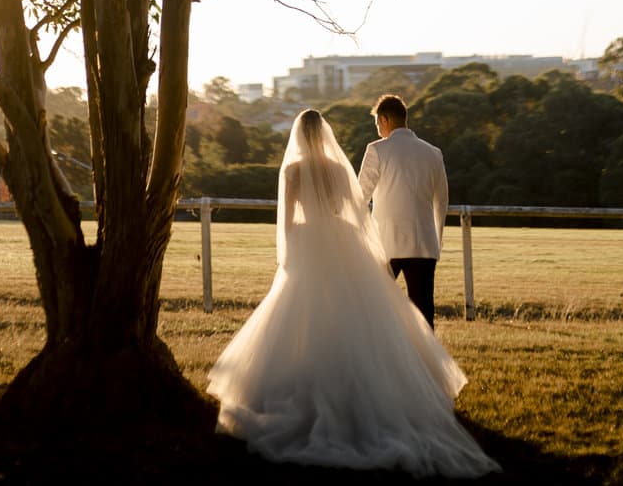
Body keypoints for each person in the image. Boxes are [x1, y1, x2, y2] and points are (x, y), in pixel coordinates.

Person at [207, 109, 497, 476]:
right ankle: (392, 377)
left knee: (306, 311)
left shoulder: (293, 171)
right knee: (364, 311)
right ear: (325, 133)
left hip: (309, 240)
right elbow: (358, 211)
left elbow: (288, 221)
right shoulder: (339, 168)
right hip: (345, 238)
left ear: (299, 134)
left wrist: (292, 253)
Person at [358, 93, 448, 327]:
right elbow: (441, 201)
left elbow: (360, 197)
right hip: (424, 243)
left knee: (377, 305)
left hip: (387, 242)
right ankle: (426, 360)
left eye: (377, 123)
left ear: (385, 119)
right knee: (423, 311)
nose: (378, 129)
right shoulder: (433, 152)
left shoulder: (377, 150)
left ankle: (382, 355)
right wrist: (436, 242)